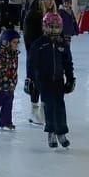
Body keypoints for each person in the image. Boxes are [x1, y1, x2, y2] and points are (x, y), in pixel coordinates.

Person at [27, 13, 75, 148]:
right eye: (51, 27)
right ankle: (51, 131)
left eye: (56, 27)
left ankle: (61, 131)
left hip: (58, 80)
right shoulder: (39, 44)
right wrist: (30, 79)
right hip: (43, 81)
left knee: (60, 106)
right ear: (44, 27)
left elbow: (68, 63)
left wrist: (70, 78)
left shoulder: (63, 45)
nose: (54, 30)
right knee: (49, 105)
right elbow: (31, 63)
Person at [23, 0, 56, 125]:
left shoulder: (50, 12)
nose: (51, 2)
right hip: (36, 53)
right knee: (36, 81)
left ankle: (43, 110)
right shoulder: (33, 14)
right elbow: (28, 37)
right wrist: (36, 51)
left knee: (47, 82)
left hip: (48, 52)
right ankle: (33, 111)